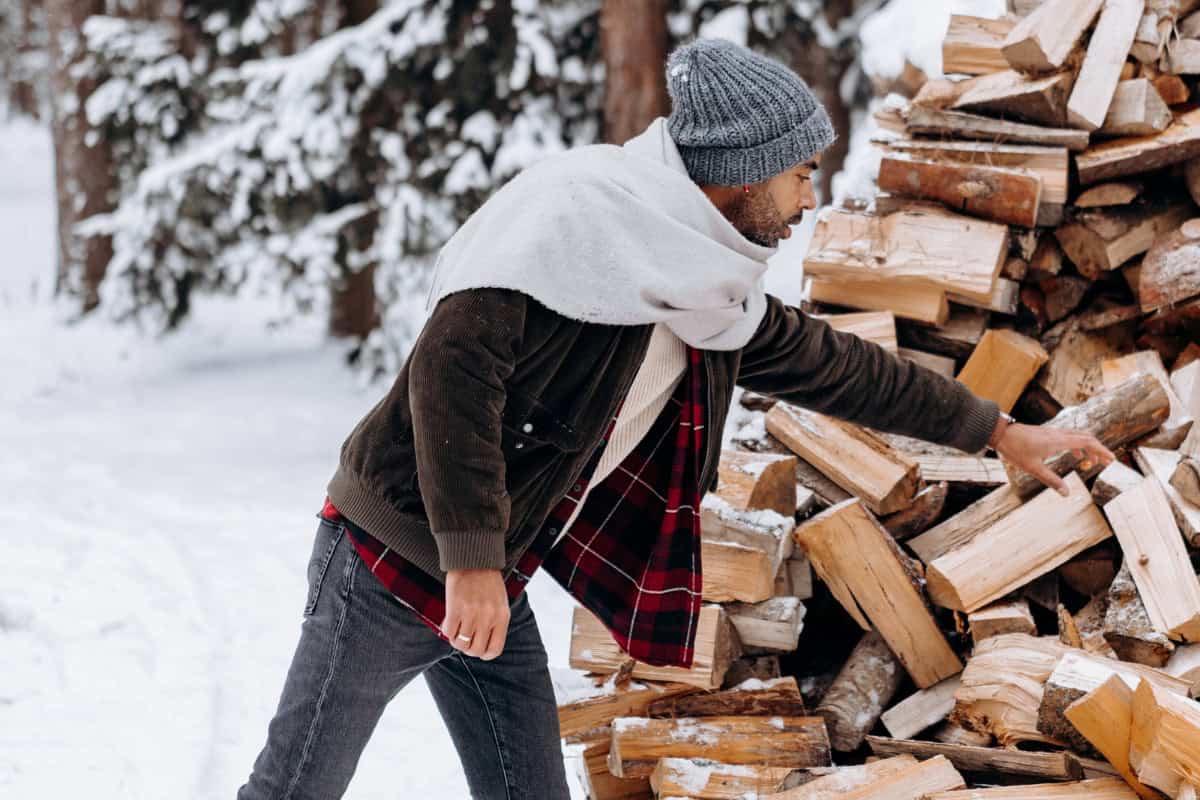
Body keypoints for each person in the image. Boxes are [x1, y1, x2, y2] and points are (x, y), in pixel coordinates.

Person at [238, 38, 1114, 800]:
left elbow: (836, 366)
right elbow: (452, 378)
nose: (810, 197)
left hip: (492, 567)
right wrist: (468, 561)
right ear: (741, 168)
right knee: (295, 786)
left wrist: (1000, 432)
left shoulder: (700, 282)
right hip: (387, 559)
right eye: (800, 172)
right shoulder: (569, 220)